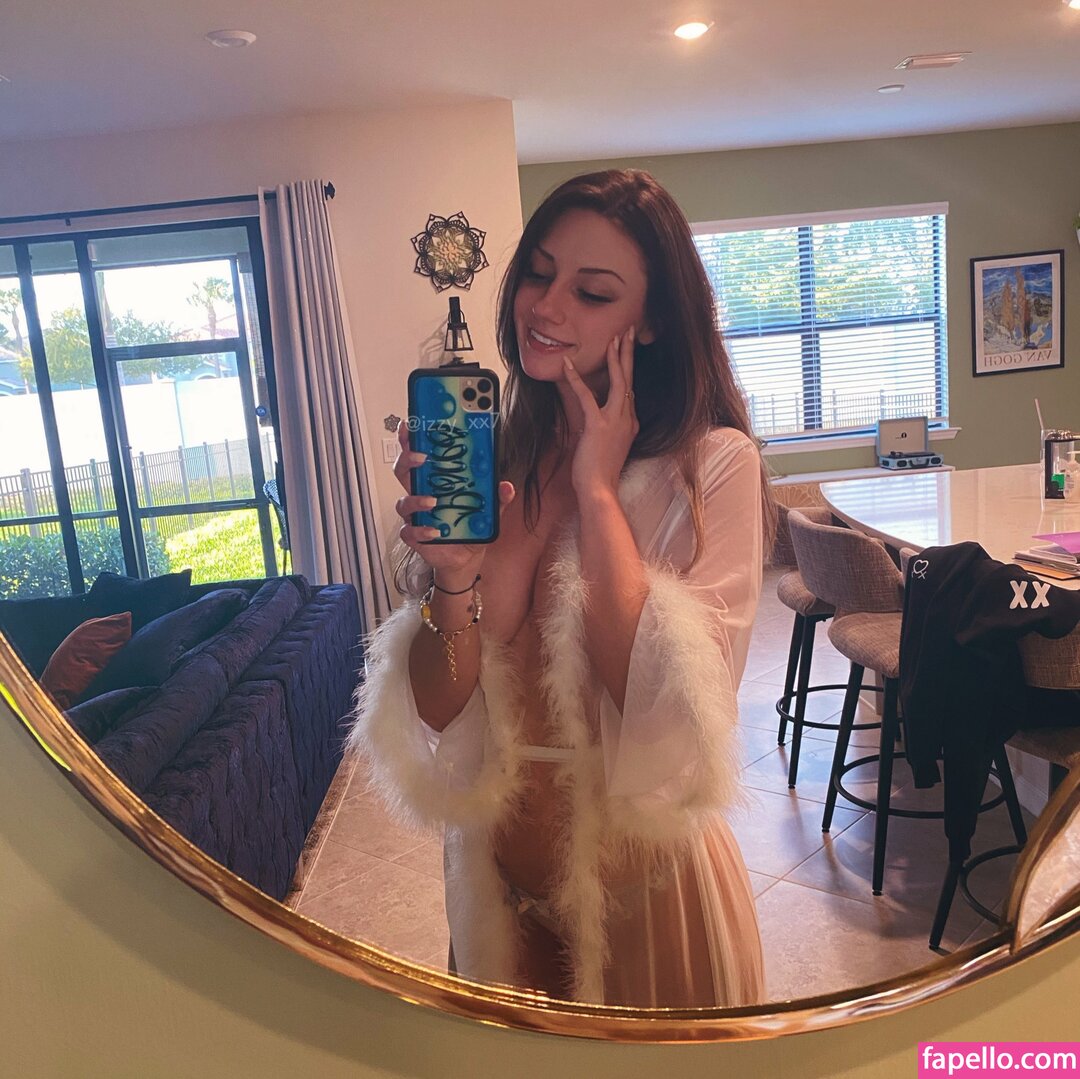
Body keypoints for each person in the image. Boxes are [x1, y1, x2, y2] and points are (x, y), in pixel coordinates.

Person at [348, 169, 773, 1008]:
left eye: (593, 291)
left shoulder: (712, 466)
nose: (545, 306)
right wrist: (451, 578)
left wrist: (598, 489)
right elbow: (440, 708)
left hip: (648, 901)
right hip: (497, 897)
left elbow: (663, 710)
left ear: (650, 320)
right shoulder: (499, 460)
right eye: (539, 273)